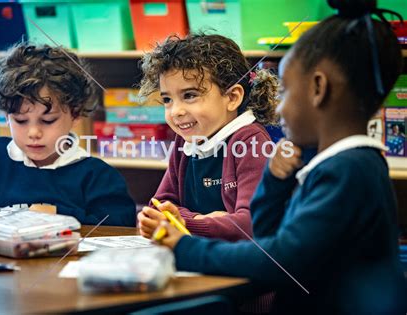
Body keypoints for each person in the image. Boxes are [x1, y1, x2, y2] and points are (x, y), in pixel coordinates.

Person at [154, 1, 407, 313]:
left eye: (285, 92)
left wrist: (186, 248)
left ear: (318, 89)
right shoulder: (332, 165)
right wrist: (274, 181)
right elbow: (265, 233)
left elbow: (281, 258)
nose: (278, 109)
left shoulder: (349, 170)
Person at [0, 42, 136, 227]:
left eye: (48, 121)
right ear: (5, 115)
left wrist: (60, 215)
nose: (33, 133)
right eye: (20, 121)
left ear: (76, 114)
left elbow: (121, 223)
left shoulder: (97, 177)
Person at [137, 33, 280, 242]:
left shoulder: (251, 141)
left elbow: (250, 224)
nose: (175, 111)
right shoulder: (185, 141)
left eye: (190, 95)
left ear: (232, 97)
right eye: (167, 99)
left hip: (237, 262)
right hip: (198, 255)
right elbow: (157, 207)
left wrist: (183, 222)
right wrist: (198, 219)